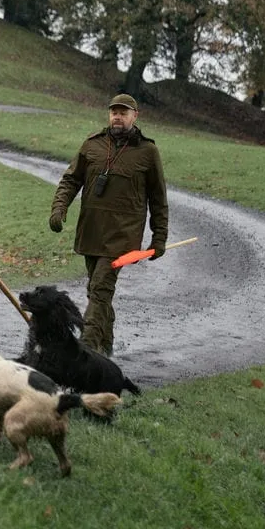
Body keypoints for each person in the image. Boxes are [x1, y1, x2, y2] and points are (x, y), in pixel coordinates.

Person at [49, 91, 168, 356]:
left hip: (123, 238)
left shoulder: (148, 151)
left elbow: (158, 198)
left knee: (100, 288)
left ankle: (87, 350)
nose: (117, 117)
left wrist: (159, 237)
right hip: (91, 231)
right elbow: (71, 180)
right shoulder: (92, 144)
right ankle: (106, 347)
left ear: (134, 117)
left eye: (123, 112)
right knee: (98, 290)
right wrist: (59, 209)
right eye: (114, 112)